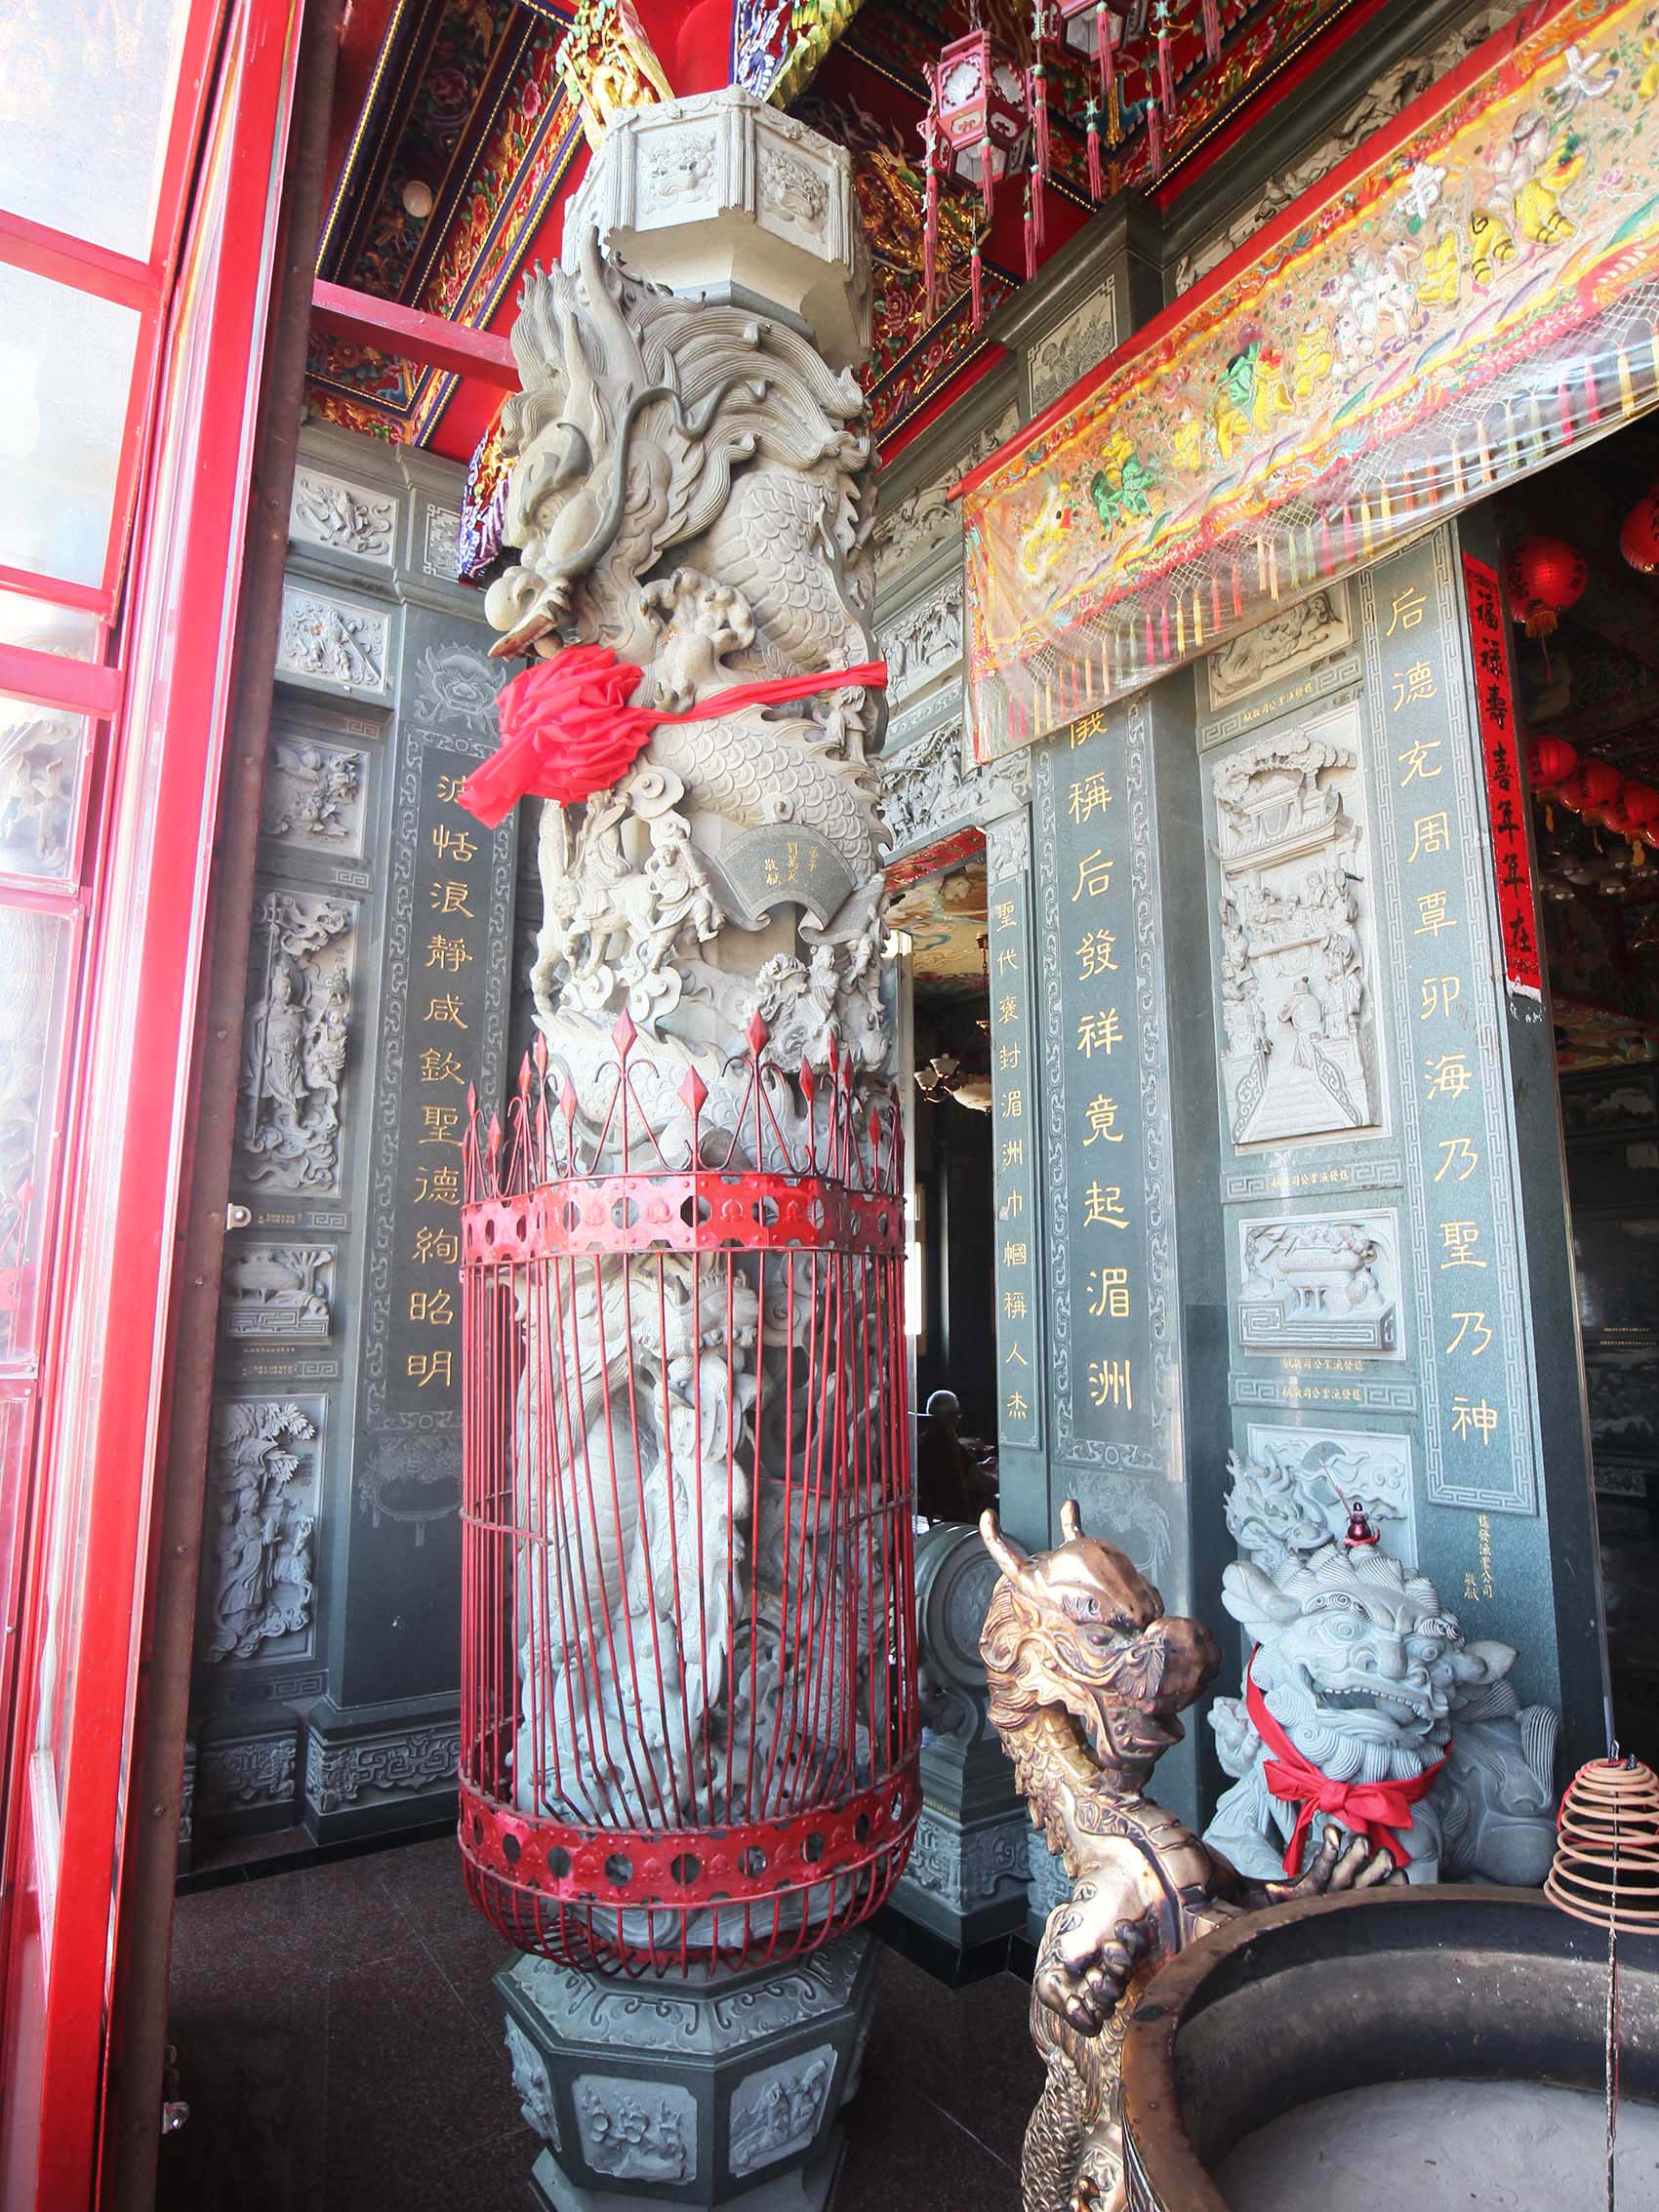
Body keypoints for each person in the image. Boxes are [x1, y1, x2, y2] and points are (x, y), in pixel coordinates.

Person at [913, 1388, 997, 1523]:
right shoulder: (950, 1446)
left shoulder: (923, 1441)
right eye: (958, 1414)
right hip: (960, 1515)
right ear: (952, 1416)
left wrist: (980, 1466)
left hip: (936, 1508)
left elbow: (948, 1471)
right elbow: (983, 1483)